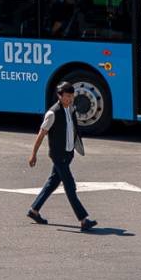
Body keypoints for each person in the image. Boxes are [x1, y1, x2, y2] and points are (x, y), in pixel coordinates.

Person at [26, 81, 97, 232]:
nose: (70, 99)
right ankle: (83, 219)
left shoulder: (71, 108)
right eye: (67, 96)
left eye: (72, 96)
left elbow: (73, 129)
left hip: (68, 153)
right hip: (59, 155)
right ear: (59, 96)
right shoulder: (52, 113)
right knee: (70, 186)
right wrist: (33, 154)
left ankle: (34, 210)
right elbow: (41, 134)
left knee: (52, 182)